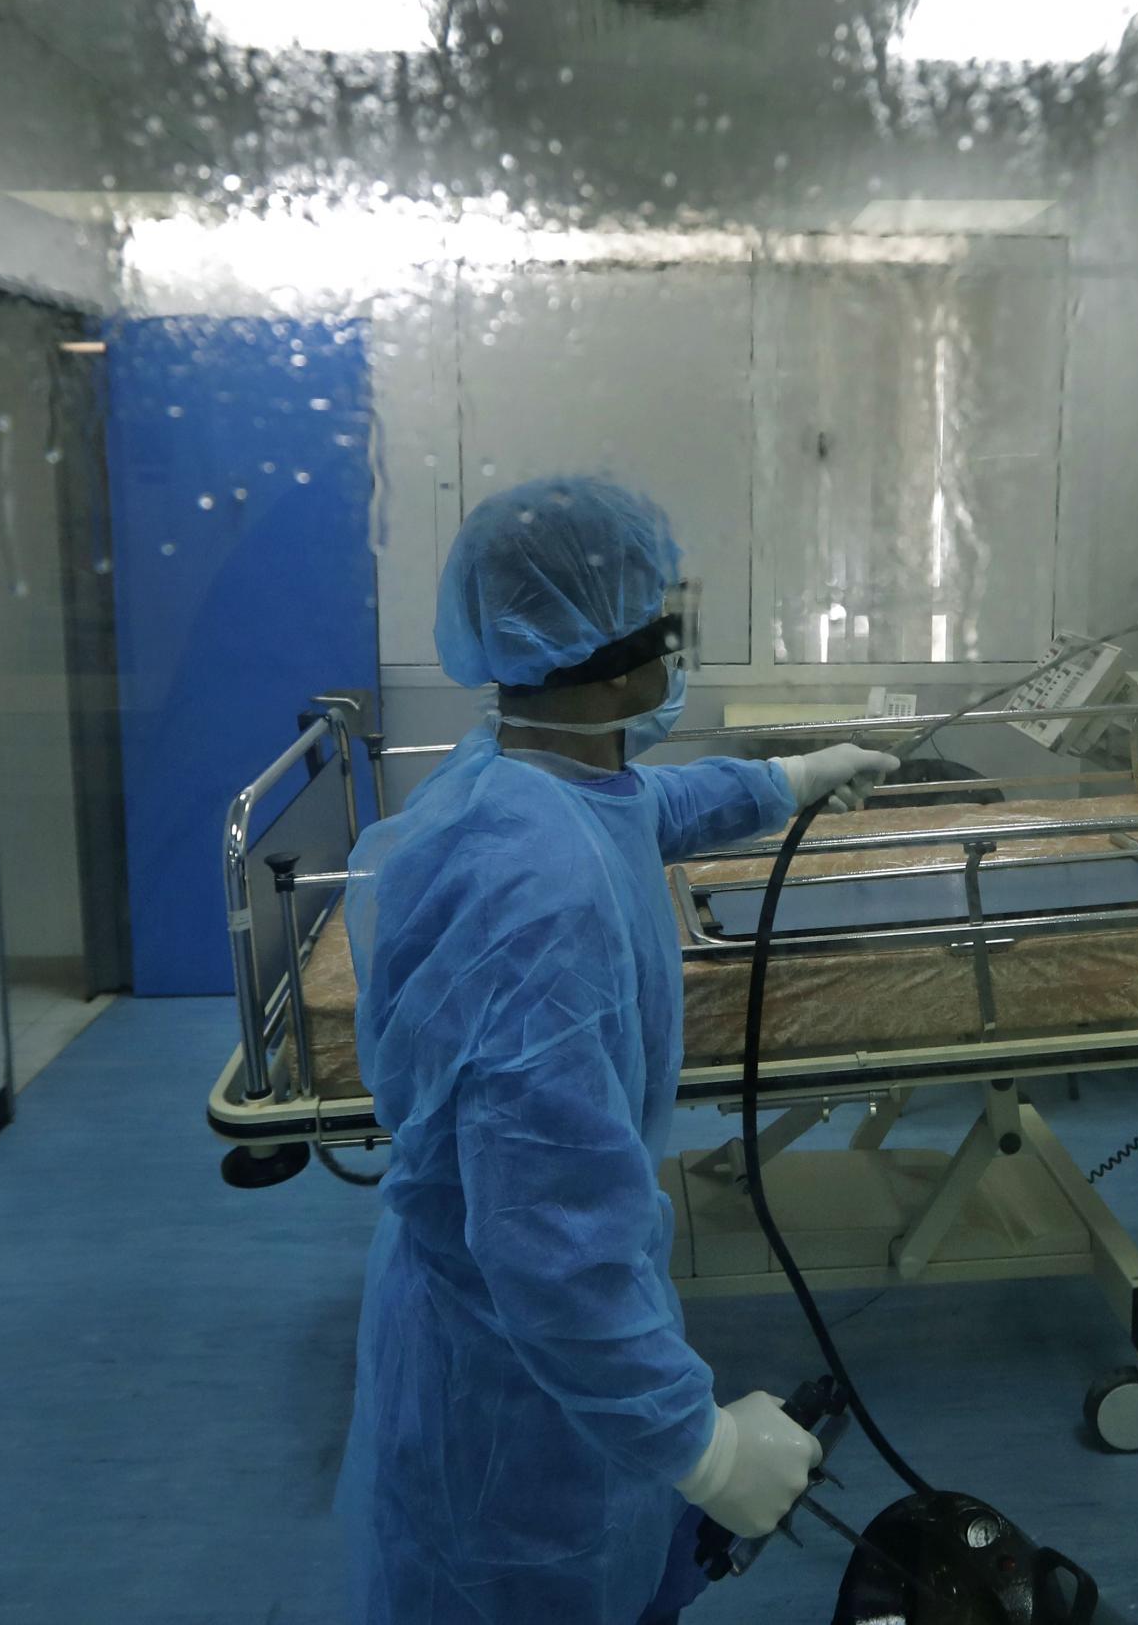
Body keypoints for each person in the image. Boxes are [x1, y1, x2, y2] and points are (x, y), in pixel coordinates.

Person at [337, 476, 898, 1625]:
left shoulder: (521, 774)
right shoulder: (539, 904)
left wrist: (787, 782)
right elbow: (545, 1237)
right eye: (671, 622)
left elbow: (647, 804)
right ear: (614, 655)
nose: (682, 649)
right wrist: (694, 1447)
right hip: (515, 1394)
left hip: (496, 1344)